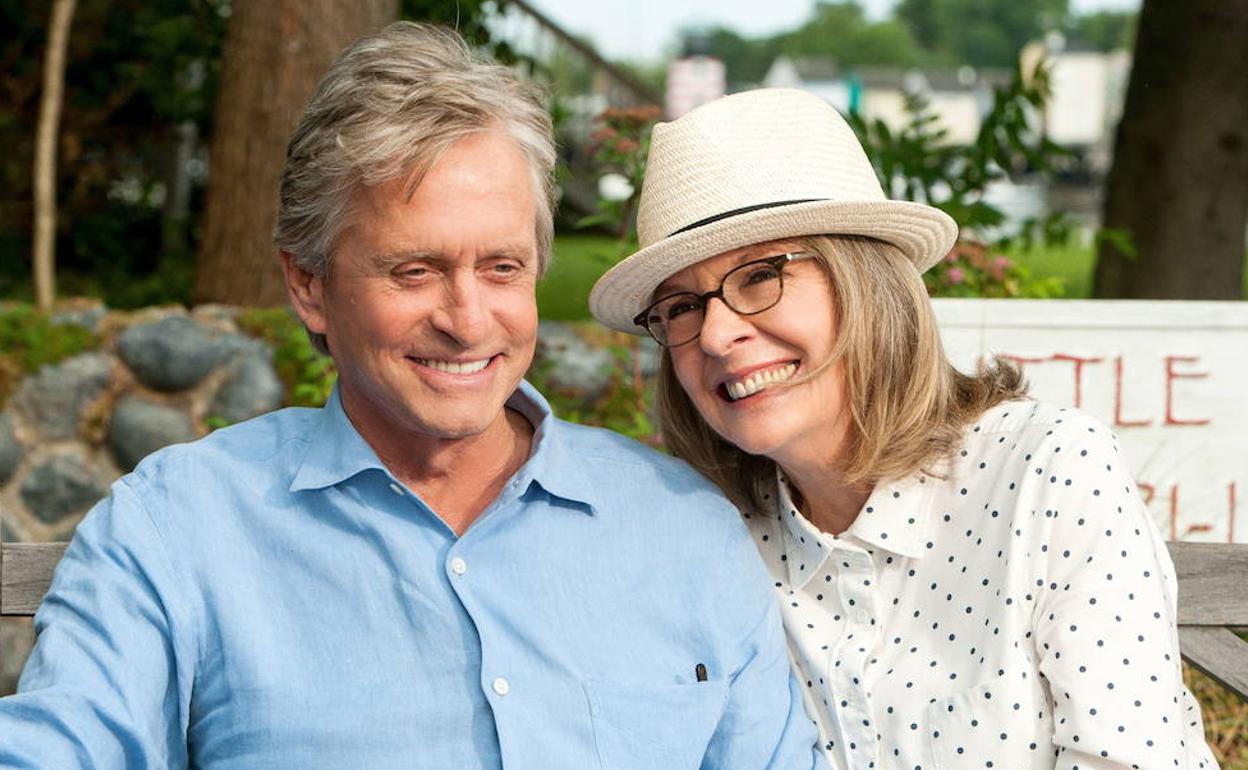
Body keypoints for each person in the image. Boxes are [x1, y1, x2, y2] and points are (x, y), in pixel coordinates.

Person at [0, 28, 826, 770]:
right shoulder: (178, 527)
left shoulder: (682, 529)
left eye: (502, 268)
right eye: (414, 271)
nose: (467, 322)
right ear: (309, 286)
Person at [589, 88, 1217, 770]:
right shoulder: (717, 540)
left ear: (865, 281)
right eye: (681, 307)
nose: (714, 333)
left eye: (759, 277)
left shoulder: (1047, 472)